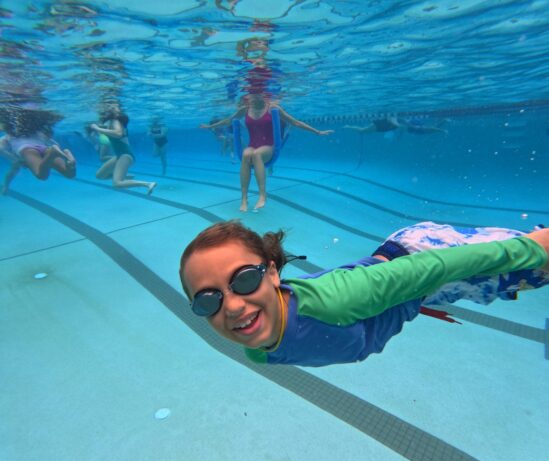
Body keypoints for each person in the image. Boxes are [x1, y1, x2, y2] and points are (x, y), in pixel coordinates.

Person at [179, 220, 549, 367]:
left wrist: (533, 247)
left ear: (272, 274)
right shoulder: (255, 347)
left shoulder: (338, 298)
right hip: (408, 292)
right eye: (208, 300)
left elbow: (439, 266)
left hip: (425, 256)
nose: (232, 306)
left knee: (533, 268)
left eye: (243, 279)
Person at [200, 93, 334, 212]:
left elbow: (295, 122)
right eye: (250, 97)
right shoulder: (245, 110)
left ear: (263, 96)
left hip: (268, 146)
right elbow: (227, 120)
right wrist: (210, 127)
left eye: (256, 96)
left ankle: (262, 195)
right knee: (246, 154)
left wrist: (318, 132)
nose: (252, 99)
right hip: (253, 145)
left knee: (257, 154)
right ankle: (244, 199)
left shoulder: (273, 108)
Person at [0, 106, 76, 194]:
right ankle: (68, 158)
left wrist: (16, 160)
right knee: (70, 174)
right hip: (46, 149)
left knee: (41, 175)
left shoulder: (8, 137)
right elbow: (53, 143)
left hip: (27, 150)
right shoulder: (37, 132)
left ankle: (6, 186)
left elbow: (1, 149)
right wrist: (56, 149)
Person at [91, 107, 156, 194]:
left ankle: (147, 184)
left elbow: (118, 134)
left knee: (116, 184)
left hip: (126, 155)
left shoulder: (115, 121)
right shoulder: (112, 123)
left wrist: (97, 128)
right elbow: (109, 129)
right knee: (100, 175)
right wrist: (97, 127)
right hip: (119, 156)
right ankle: (123, 177)